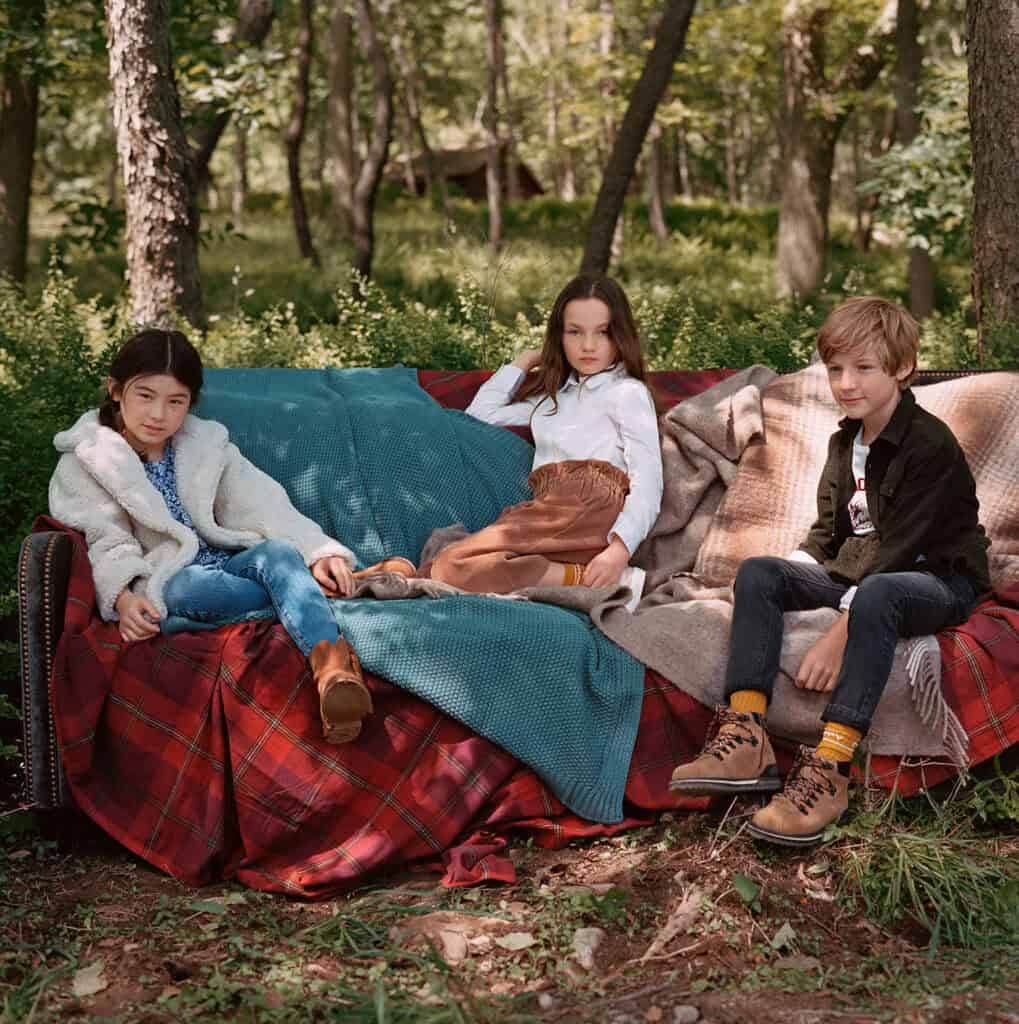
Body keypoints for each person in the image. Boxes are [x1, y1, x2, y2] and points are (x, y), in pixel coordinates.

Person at [669, 296, 991, 845]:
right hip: (864, 572)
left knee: (878, 593)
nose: (846, 382)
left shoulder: (929, 444)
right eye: (836, 368)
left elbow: (897, 552)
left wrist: (836, 637)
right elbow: (828, 534)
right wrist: (788, 578)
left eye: (864, 368)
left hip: (935, 577)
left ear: (902, 367)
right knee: (760, 573)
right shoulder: (846, 440)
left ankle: (831, 768)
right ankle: (747, 735)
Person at [48, 329, 372, 745]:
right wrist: (123, 595)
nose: (158, 414)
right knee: (185, 588)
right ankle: (307, 595)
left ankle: (334, 676)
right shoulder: (89, 462)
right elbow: (105, 537)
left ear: (190, 403)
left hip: (229, 565)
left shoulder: (204, 444)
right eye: (145, 395)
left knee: (277, 552)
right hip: (171, 578)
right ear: (115, 390)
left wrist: (317, 551)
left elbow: (260, 502)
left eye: (175, 401)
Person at [423, 274, 663, 611]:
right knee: (453, 563)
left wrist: (619, 550)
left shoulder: (626, 392)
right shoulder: (552, 400)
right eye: (575, 332)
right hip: (551, 509)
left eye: (603, 332)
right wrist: (527, 360)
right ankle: (584, 579)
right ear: (559, 336)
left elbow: (649, 479)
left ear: (621, 335)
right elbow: (478, 415)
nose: (589, 346)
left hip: (590, 505)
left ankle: (610, 578)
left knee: (450, 565)